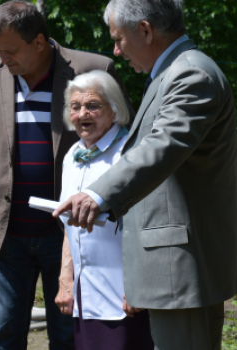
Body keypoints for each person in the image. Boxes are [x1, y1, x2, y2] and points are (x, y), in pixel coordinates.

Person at [53, 0, 237, 349]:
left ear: (146, 31)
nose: (116, 51)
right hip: (175, 262)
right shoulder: (171, 73)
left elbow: (163, 146)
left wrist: (97, 193)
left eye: (119, 39)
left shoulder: (190, 73)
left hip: (183, 264)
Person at [0, 1, 133, 349]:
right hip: (5, 231)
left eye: (10, 50)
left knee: (68, 334)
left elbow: (124, 141)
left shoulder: (92, 68)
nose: (2, 59)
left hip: (69, 231)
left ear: (39, 42)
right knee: (5, 334)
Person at [54, 70, 154, 350]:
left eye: (92, 106)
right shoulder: (72, 155)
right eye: (75, 107)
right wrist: (66, 279)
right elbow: (69, 224)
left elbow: (146, 223)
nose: (82, 113)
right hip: (85, 296)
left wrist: (139, 286)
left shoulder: (131, 154)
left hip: (124, 294)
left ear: (114, 109)